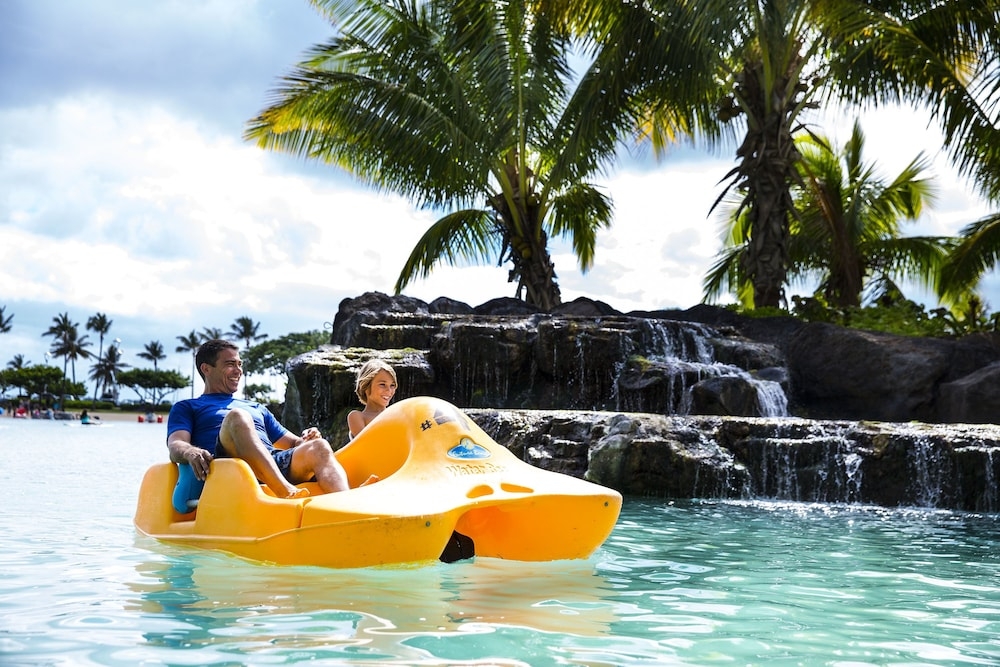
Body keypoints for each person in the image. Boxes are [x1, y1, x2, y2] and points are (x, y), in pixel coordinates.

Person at [166, 339, 350, 500]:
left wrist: (308, 438)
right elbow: (176, 445)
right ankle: (284, 491)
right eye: (230, 364)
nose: (238, 370)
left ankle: (345, 504)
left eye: (240, 364)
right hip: (229, 467)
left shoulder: (257, 407)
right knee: (237, 416)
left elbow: (293, 442)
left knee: (319, 447)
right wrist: (190, 452)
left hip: (271, 464)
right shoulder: (188, 406)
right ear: (206, 368)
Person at [347, 359, 397, 439]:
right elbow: (366, 445)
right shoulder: (358, 417)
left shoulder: (397, 415)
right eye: (382, 384)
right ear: (365, 386)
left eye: (392, 385)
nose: (389, 390)